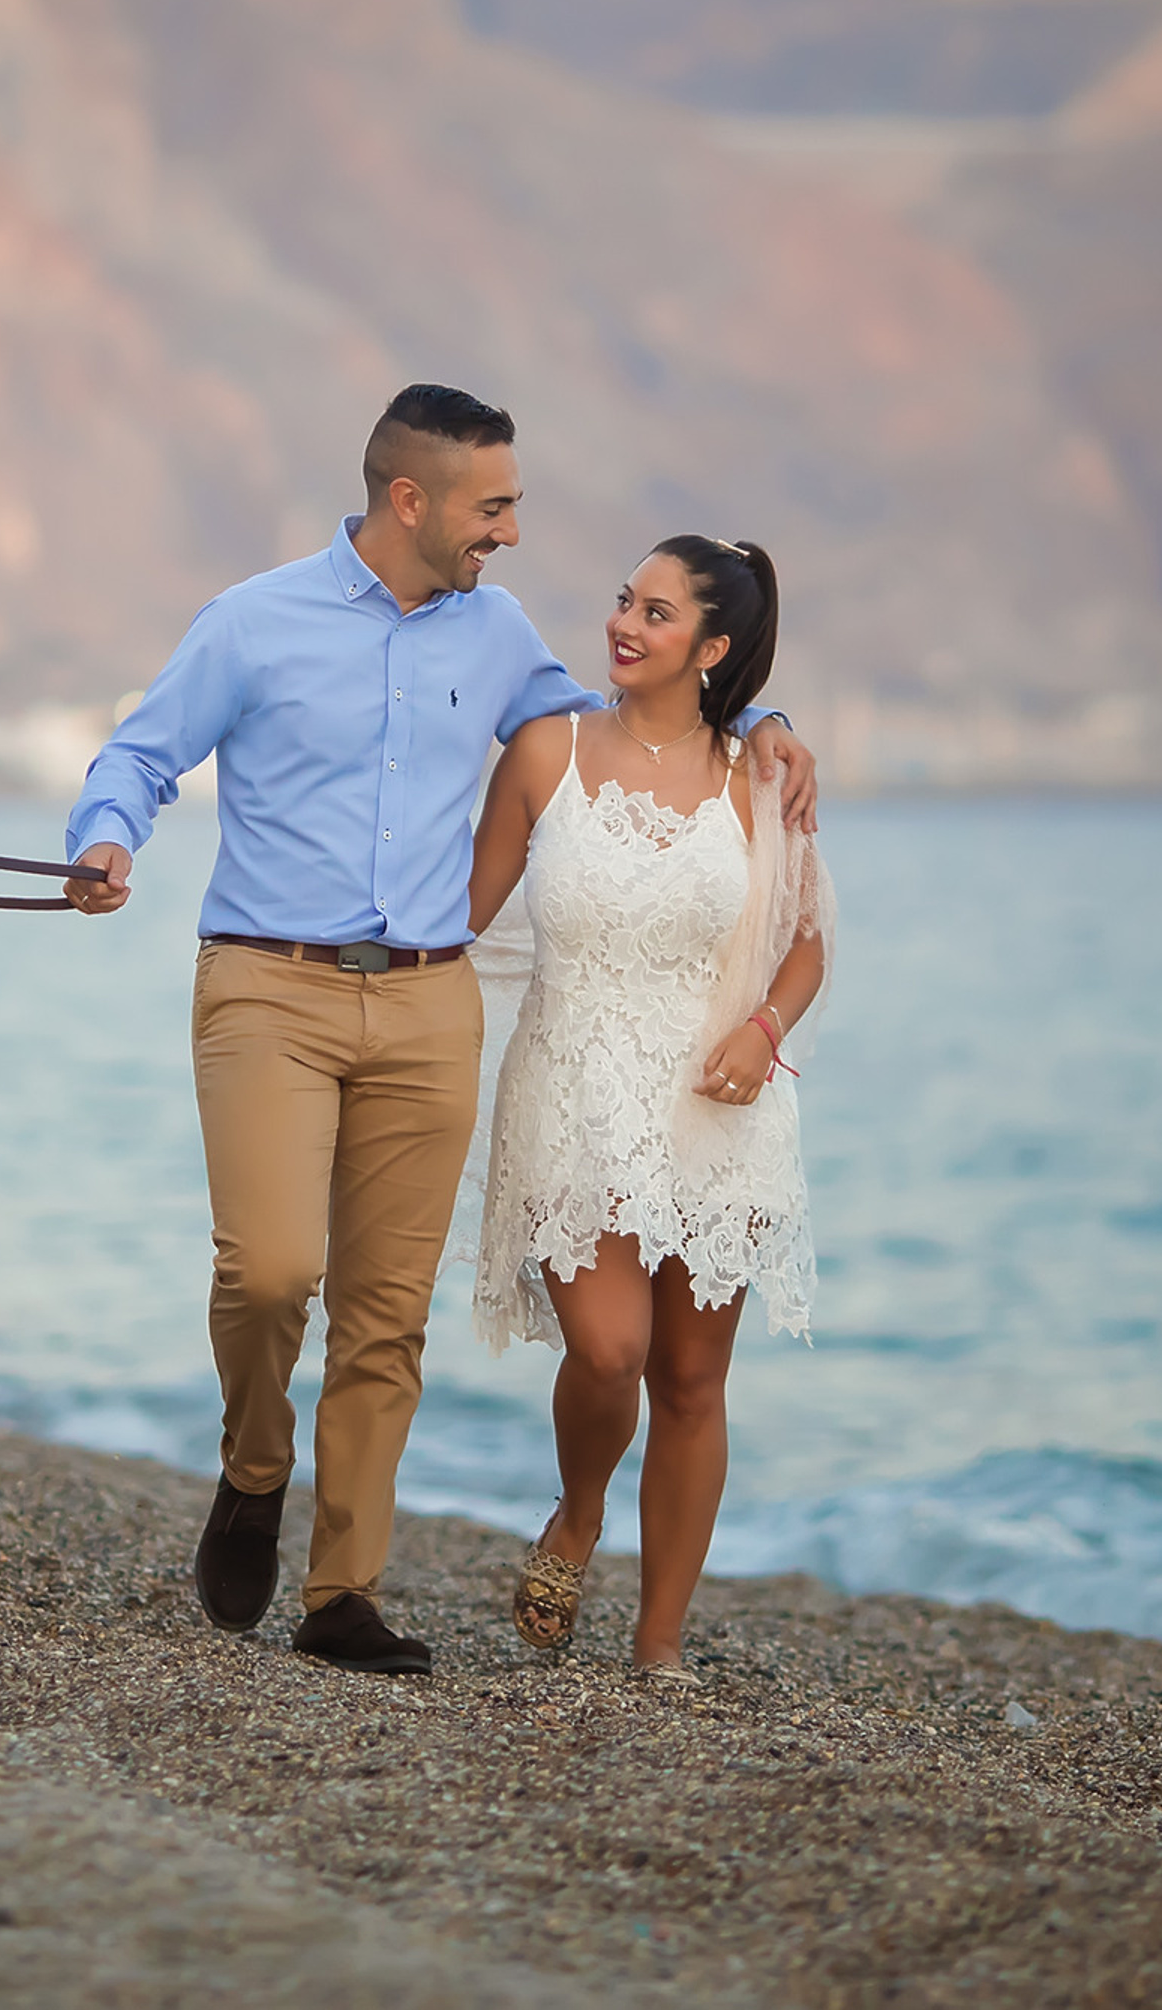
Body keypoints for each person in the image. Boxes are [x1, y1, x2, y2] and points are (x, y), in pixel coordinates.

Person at [63, 388, 818, 1676]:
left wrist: (757, 715)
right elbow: (139, 754)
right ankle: (255, 1463)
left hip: (428, 1000)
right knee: (269, 1273)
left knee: (382, 1314)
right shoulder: (254, 621)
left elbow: (629, 718)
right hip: (268, 985)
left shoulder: (503, 632)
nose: (512, 533)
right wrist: (102, 839)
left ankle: (340, 1591)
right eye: (494, 506)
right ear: (409, 500)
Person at [467, 535, 829, 1679]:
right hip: (570, 1088)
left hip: (715, 1106)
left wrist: (763, 1031)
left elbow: (806, 950)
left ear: (713, 650)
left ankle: (659, 1644)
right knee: (611, 1348)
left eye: (657, 613)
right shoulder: (544, 751)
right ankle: (578, 1513)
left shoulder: (759, 779)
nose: (625, 623)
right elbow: (460, 912)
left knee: (689, 1379)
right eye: (625, 600)